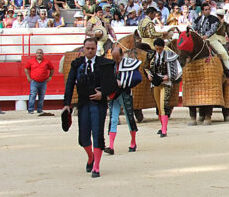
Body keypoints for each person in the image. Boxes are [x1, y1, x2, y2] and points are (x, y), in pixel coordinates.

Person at [63, 36, 117, 178]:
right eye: (88, 48)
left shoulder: (105, 64)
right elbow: (69, 84)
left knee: (98, 134)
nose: (90, 51)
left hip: (99, 104)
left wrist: (103, 93)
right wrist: (66, 104)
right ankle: (90, 156)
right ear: (83, 49)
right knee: (83, 138)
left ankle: (97, 167)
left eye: (93, 48)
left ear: (96, 49)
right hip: (83, 103)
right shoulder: (77, 64)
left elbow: (113, 84)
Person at [105, 42, 142, 154]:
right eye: (114, 58)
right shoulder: (110, 64)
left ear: (122, 55)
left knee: (129, 117)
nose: (116, 60)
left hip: (125, 93)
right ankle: (111, 146)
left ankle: (133, 142)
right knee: (113, 118)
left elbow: (137, 78)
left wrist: (123, 83)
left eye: (118, 58)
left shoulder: (129, 63)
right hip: (113, 94)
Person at [147, 37, 181, 137]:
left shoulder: (170, 55)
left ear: (163, 47)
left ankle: (164, 129)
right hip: (155, 83)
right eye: (156, 49)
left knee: (163, 105)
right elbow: (146, 67)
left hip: (166, 83)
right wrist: (148, 74)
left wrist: (169, 77)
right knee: (158, 106)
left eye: (160, 49)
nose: (158, 51)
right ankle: (162, 126)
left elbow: (178, 69)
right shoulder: (152, 55)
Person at [191, 0, 229, 78]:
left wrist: (206, 36)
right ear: (202, 11)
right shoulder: (198, 19)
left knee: (223, 52)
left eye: (209, 9)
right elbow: (193, 27)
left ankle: (228, 70)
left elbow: (213, 29)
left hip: (211, 39)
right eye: (206, 10)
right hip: (199, 38)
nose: (208, 11)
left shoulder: (214, 19)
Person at [23, 48, 54, 115]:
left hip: (43, 82)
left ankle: (39, 110)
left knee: (41, 96)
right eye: (38, 53)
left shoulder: (47, 62)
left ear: (43, 54)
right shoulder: (31, 61)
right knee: (32, 95)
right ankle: (30, 109)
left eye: (40, 53)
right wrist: (28, 77)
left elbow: (52, 69)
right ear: (35, 54)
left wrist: (50, 77)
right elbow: (26, 68)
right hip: (34, 81)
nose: (39, 54)